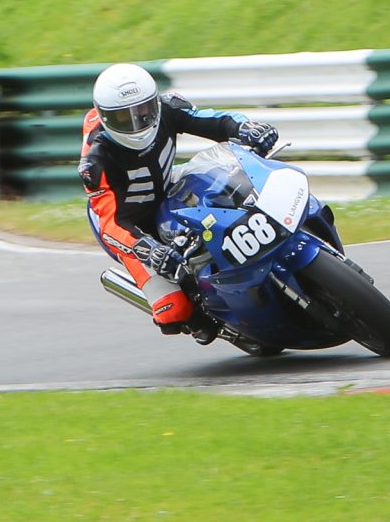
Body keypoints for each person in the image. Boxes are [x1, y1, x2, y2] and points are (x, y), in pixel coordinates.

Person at [81, 64, 278, 337]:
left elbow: (215, 120)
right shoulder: (96, 161)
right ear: (105, 118)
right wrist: (146, 249)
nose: (138, 123)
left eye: (143, 111)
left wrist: (247, 127)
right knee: (173, 311)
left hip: (168, 187)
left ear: (154, 102)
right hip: (130, 226)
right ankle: (209, 321)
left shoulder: (168, 108)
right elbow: (111, 223)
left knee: (226, 186)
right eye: (124, 119)